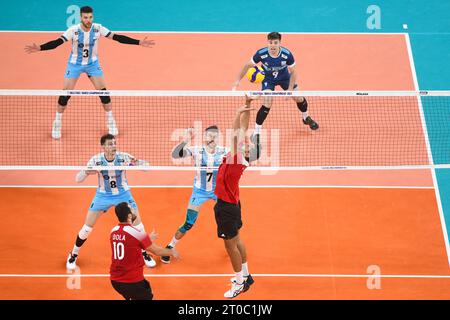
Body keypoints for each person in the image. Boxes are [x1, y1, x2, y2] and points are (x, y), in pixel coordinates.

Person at [24, 6, 154, 139]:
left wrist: (139, 42)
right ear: (81, 17)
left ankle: (111, 121)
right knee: (64, 96)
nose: (88, 20)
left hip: (92, 64)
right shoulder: (73, 31)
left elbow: (118, 37)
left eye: (90, 17)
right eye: (85, 17)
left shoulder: (98, 28)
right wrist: (40, 48)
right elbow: (56, 43)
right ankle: (57, 122)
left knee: (104, 94)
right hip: (75, 65)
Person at [66, 133, 156, 270]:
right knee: (87, 228)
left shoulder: (124, 157)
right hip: (103, 195)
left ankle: (144, 253)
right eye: (109, 144)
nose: (113, 146)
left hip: (123, 194)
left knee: (139, 226)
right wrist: (86, 171)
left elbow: (147, 167)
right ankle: (73, 254)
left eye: (114, 143)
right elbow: (78, 179)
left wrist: (138, 163)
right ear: (103, 147)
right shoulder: (95, 160)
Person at [232, 31, 319, 143]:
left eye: (275, 42)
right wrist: (237, 81)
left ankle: (306, 117)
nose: (272, 45)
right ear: (267, 42)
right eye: (270, 42)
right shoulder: (261, 53)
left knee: (299, 98)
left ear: (279, 43)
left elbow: (294, 72)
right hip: (268, 79)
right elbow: (247, 65)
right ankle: (257, 132)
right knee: (267, 102)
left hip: (285, 78)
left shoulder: (287, 54)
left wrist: (290, 90)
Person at [214, 95, 260, 299]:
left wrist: (237, 113)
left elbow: (235, 135)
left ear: (247, 154)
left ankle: (239, 283)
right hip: (233, 204)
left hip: (226, 208)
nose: (247, 143)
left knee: (229, 245)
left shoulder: (236, 159)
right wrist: (248, 104)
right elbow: (243, 131)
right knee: (238, 239)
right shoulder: (239, 158)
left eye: (249, 146)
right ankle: (247, 275)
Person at [160, 125, 229, 263]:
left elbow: (242, 160)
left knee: (227, 221)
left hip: (218, 191)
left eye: (215, 135)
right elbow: (175, 154)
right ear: (204, 137)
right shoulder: (197, 151)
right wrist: (185, 140)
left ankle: (232, 246)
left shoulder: (225, 152)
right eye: (210, 135)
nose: (212, 138)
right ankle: (170, 246)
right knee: (189, 223)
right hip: (199, 191)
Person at [110, 202, 179, 300]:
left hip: (115, 280)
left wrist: (147, 238)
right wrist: (172, 252)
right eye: (131, 209)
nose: (134, 210)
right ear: (129, 215)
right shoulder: (136, 233)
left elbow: (130, 244)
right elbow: (157, 251)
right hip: (131, 281)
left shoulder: (113, 231)